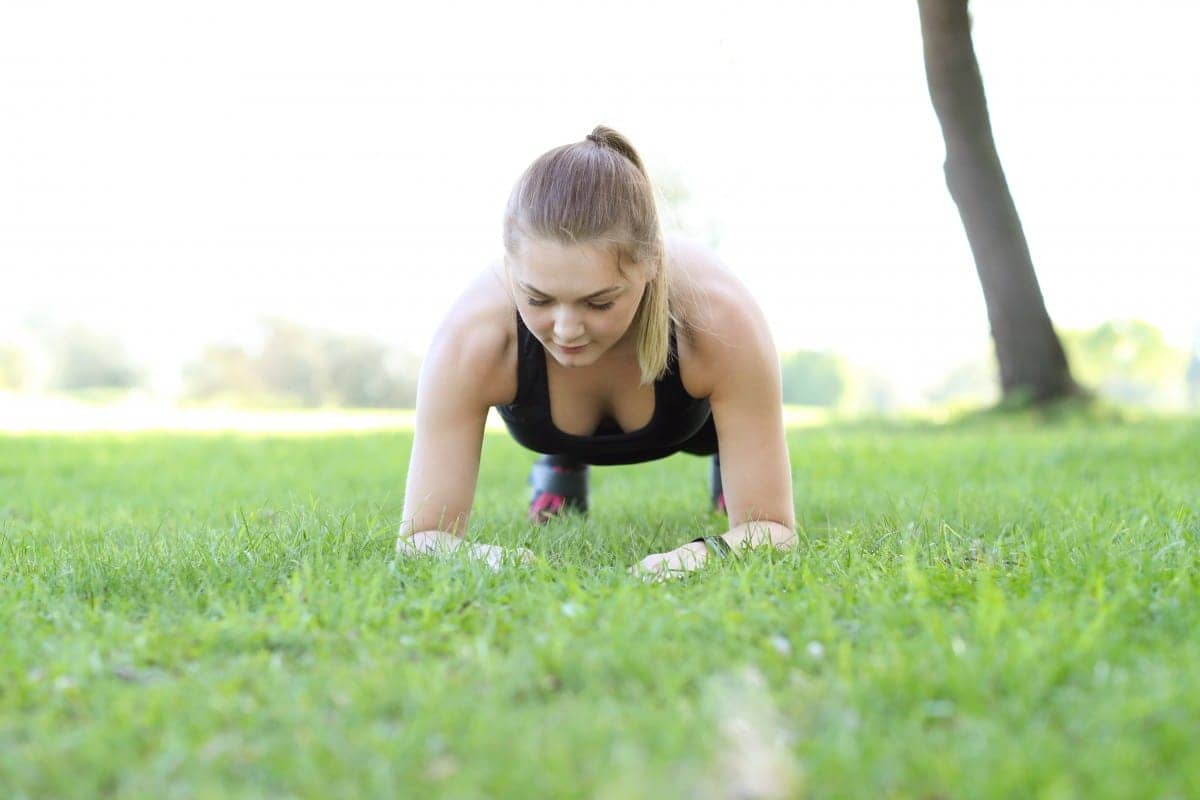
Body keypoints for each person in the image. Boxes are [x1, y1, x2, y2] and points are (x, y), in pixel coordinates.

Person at [395, 126, 796, 580]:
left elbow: (773, 529)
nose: (566, 331)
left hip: (694, 424)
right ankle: (561, 460)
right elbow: (420, 537)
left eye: (599, 302)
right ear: (510, 268)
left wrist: (697, 557)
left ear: (651, 266)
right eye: (539, 299)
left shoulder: (717, 318)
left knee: (724, 449)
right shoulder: (472, 337)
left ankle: (728, 458)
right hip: (549, 426)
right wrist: (499, 561)